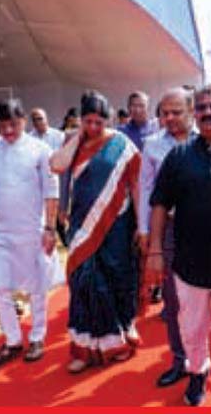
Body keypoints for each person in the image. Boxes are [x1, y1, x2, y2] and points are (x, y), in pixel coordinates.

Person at [147, 84, 211, 406]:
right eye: (202, 107)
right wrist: (155, 250)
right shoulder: (179, 156)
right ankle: (197, 371)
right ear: (194, 113)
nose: (208, 113)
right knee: (191, 331)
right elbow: (160, 203)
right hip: (190, 266)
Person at [50, 90, 141, 374]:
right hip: (82, 225)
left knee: (116, 279)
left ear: (109, 119)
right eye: (87, 121)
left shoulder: (122, 144)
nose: (93, 127)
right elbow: (56, 165)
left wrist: (142, 225)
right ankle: (84, 348)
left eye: (98, 122)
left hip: (117, 224)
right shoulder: (73, 142)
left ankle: (118, 340)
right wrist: (78, 136)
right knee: (84, 284)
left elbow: (136, 185)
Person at [0, 99, 59, 365]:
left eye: (13, 124)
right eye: (3, 126)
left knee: (37, 287)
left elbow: (51, 191)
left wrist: (50, 227)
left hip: (32, 229)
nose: (8, 131)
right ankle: (12, 340)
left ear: (23, 121)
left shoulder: (40, 149)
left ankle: (37, 337)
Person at [138, 87, 195, 389]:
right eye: (164, 113)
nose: (170, 118)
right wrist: (145, 230)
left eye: (177, 112)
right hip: (171, 229)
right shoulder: (152, 145)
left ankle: (208, 359)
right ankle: (180, 359)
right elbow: (146, 189)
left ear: (191, 111)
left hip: (210, 231)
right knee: (173, 300)